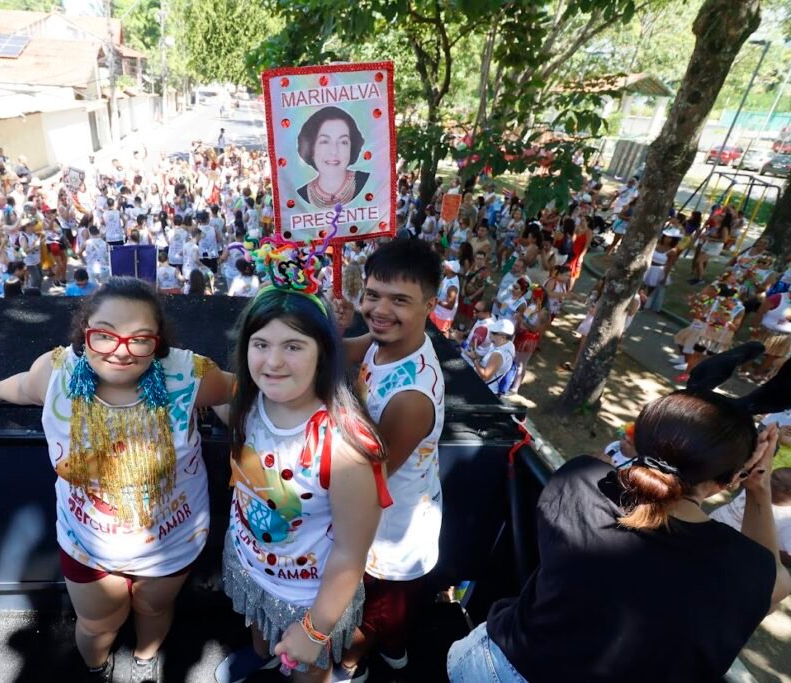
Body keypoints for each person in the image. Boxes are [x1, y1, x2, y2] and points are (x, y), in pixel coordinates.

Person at [0, 277, 232, 682]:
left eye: (140, 338)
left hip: (172, 541)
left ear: (158, 343)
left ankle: (145, 663)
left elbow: (242, 389)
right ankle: (97, 669)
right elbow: (22, 386)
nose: (121, 351)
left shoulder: (189, 376)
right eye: (104, 336)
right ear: (84, 335)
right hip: (87, 544)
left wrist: (236, 422)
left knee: (155, 609)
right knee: (96, 625)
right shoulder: (56, 374)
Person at [450, 389, 791, 682]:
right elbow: (775, 580)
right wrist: (758, 486)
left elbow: (615, 473)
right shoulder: (746, 568)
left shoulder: (581, 478)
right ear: (730, 480)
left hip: (489, 665)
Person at [214, 285, 390, 683]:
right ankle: (262, 656)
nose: (273, 361)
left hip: (309, 597)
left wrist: (314, 630)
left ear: (323, 353)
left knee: (309, 672)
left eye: (293, 346)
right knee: (260, 631)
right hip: (251, 561)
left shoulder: (346, 450)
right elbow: (200, 385)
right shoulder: (247, 399)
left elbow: (350, 553)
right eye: (261, 344)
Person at [336, 239, 445, 681]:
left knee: (364, 620)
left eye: (400, 300)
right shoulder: (385, 343)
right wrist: (330, 327)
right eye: (373, 294)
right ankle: (395, 649)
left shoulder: (412, 397)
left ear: (430, 305)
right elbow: (348, 351)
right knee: (389, 617)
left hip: (393, 535)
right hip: (380, 519)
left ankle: (352, 667)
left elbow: (369, 474)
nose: (381, 310)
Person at [295, 107, 370, 209]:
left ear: (351, 148)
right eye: (325, 141)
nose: (334, 151)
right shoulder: (299, 196)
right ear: (311, 149)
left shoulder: (368, 183)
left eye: (343, 142)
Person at [466, 318, 516, 395]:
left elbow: (485, 376)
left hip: (484, 390)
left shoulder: (498, 354)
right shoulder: (509, 345)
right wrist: (477, 355)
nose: (489, 334)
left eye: (493, 333)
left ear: (503, 336)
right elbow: (488, 360)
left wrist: (474, 359)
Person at [430, 259, 460, 335]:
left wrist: (436, 300)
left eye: (445, 266)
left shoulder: (452, 287)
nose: (443, 267)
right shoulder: (448, 276)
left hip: (443, 317)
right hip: (436, 312)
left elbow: (450, 306)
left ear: (449, 269)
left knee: (438, 336)